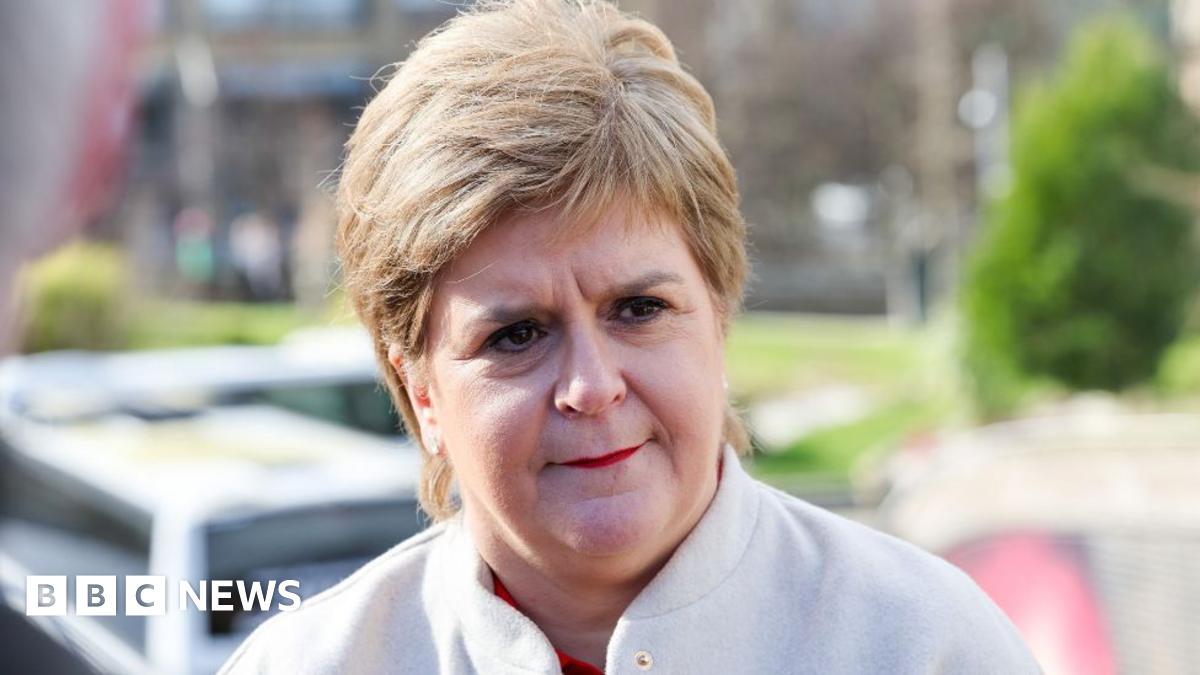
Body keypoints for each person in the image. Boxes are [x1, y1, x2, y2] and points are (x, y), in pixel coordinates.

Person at [222, 1, 1040, 672]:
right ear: (421, 391)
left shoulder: (924, 647)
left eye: (639, 308)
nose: (592, 384)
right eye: (516, 335)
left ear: (717, 314)